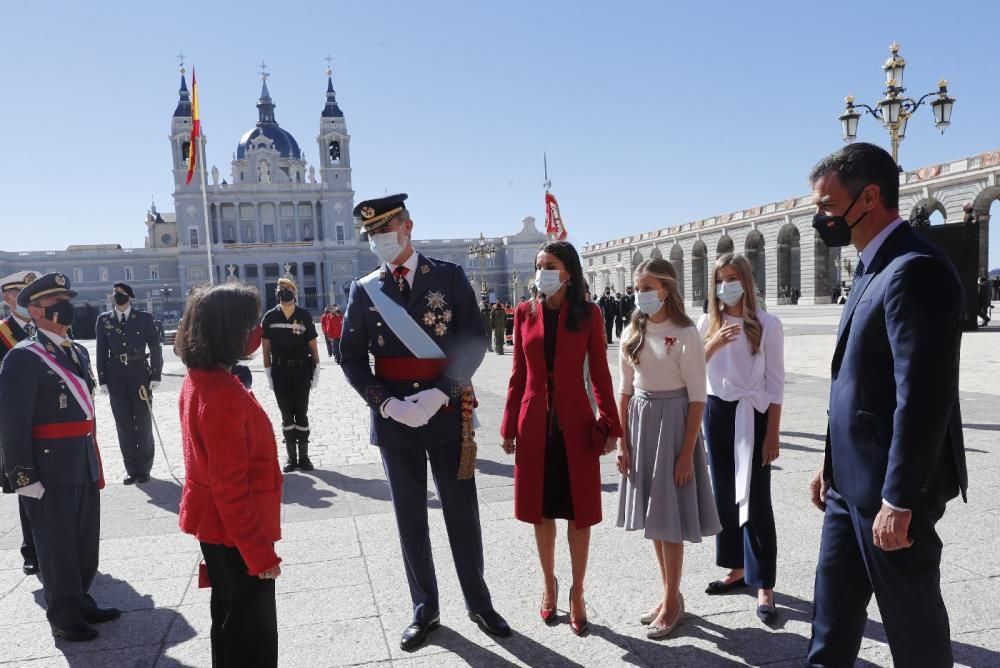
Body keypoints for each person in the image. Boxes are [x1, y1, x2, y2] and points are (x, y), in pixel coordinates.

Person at [806, 143, 967, 667]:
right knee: (830, 627)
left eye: (827, 207)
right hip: (848, 487)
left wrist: (898, 499)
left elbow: (922, 395)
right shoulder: (873, 266)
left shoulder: (914, 268)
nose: (820, 219)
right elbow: (854, 382)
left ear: (869, 196)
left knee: (913, 631)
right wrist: (830, 465)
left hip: (890, 497)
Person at [341, 193, 510, 651]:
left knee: (461, 511)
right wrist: (385, 404)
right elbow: (351, 357)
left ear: (407, 227)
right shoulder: (365, 289)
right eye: (371, 235)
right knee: (410, 517)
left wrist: (442, 392)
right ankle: (425, 608)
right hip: (395, 420)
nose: (378, 240)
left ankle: (479, 602)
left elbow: (473, 339)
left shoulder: (449, 277)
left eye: (383, 231)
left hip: (447, 410)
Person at [500, 242, 621, 636]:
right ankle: (549, 582)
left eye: (550, 265)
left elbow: (600, 374)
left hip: (576, 424)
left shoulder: (589, 314)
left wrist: (610, 424)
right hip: (534, 424)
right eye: (539, 266)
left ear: (568, 271)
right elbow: (518, 374)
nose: (542, 272)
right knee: (541, 509)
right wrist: (507, 425)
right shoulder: (524, 313)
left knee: (578, 512)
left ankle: (578, 591)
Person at [0, 272, 120, 642]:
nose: (65, 309)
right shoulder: (23, 357)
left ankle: (81, 600)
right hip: (47, 468)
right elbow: (12, 424)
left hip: (81, 459)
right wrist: (23, 477)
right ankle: (64, 616)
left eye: (66, 300)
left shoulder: (77, 350)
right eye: (56, 304)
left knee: (84, 541)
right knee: (56, 545)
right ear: (34, 311)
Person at [176, 283, 282, 668]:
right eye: (250, 323)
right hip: (236, 532)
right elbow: (231, 488)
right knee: (251, 632)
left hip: (217, 528)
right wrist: (259, 554)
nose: (257, 331)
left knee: (228, 618)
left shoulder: (201, 377)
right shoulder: (222, 395)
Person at [615, 258, 720, 640]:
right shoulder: (632, 331)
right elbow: (624, 391)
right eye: (637, 287)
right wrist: (622, 441)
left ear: (666, 289)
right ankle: (668, 593)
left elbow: (696, 397)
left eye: (647, 287)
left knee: (670, 517)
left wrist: (685, 452)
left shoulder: (687, 333)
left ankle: (673, 602)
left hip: (674, 424)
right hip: (642, 424)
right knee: (654, 517)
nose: (640, 294)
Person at [698, 253, 784, 624]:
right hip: (717, 412)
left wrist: (773, 433)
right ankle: (735, 567)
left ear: (746, 281)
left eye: (732, 277)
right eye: (720, 278)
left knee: (757, 498)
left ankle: (764, 582)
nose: (726, 285)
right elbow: (690, 369)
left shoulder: (768, 324)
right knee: (724, 495)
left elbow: (776, 383)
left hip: (754, 414)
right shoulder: (706, 322)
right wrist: (712, 343)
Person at [94, 281, 163, 485]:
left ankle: (144, 469)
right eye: (115, 293)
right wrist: (103, 379)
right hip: (115, 376)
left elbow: (155, 347)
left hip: (140, 375)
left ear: (130, 296)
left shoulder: (144, 318)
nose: (118, 296)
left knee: (143, 424)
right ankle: (131, 469)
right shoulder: (104, 319)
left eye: (122, 293)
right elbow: (100, 350)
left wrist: (156, 375)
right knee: (123, 425)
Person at [0, 270, 41, 576]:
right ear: (8, 298)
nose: (27, 300)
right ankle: (32, 549)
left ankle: (58, 545)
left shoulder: (49, 328)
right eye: (20, 294)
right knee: (26, 484)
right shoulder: (2, 333)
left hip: (50, 423)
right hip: (17, 424)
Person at [261, 278, 320, 473]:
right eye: (280, 289)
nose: (283, 292)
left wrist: (317, 368)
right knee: (286, 414)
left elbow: (312, 344)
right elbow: (266, 349)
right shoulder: (269, 317)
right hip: (280, 371)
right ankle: (291, 458)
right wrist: (268, 372)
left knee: (301, 413)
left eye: (286, 289)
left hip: (301, 370)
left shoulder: (303, 315)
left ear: (294, 292)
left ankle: (304, 457)